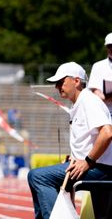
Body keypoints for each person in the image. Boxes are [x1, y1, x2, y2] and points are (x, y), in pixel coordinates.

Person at [28, 62, 112, 219]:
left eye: (61, 82)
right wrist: (75, 157)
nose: (57, 87)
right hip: (99, 167)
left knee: (38, 176)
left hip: (99, 168)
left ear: (76, 81)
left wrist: (87, 161)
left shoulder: (88, 100)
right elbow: (91, 138)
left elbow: (107, 133)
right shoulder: (82, 102)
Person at [87, 32, 112, 114]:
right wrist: (107, 98)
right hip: (105, 112)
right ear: (106, 48)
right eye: (109, 46)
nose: (111, 49)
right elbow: (94, 90)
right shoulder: (98, 66)